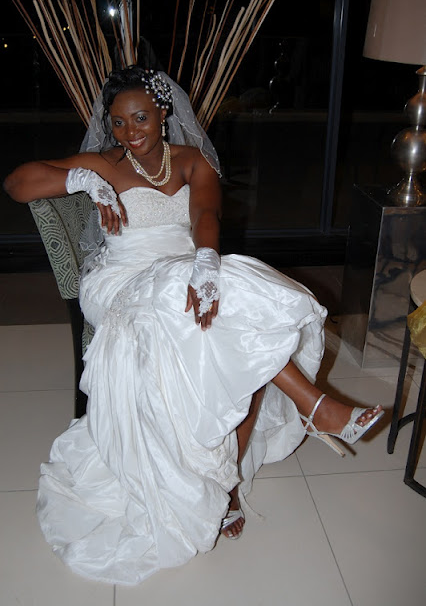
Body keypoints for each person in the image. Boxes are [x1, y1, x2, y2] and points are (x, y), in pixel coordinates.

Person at [4, 66, 383, 585]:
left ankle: (229, 482)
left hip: (186, 270)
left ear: (163, 113)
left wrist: (206, 263)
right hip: (121, 281)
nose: (130, 132)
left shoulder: (191, 160)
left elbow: (206, 215)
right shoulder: (103, 163)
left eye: (140, 118)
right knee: (225, 317)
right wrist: (81, 179)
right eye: (118, 123)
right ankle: (314, 405)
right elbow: (16, 183)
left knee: (238, 312)